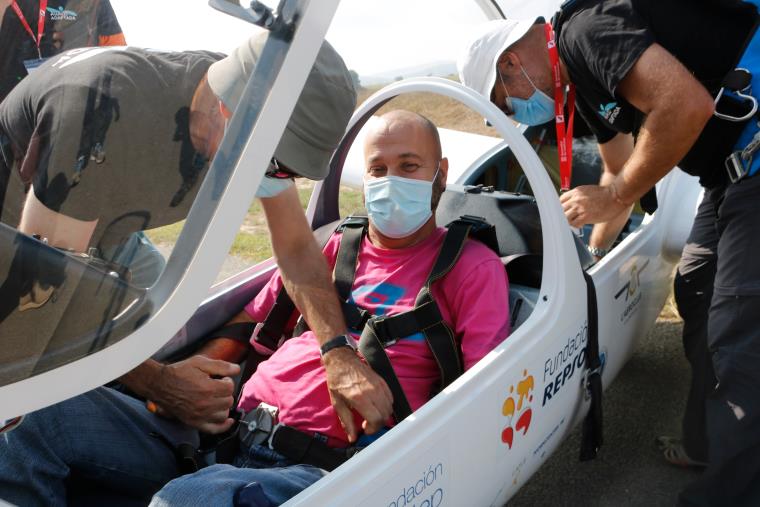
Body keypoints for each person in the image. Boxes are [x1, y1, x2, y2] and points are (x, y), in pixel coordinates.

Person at [0, 32, 403, 505]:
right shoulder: (98, 121)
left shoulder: (249, 103)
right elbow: (42, 302)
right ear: (227, 113)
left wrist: (335, 349)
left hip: (102, 224)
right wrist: (160, 383)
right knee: (23, 400)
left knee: (157, 332)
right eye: (273, 166)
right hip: (24, 242)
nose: (273, 183)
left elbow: (296, 249)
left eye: (285, 172)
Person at [458, 1, 760, 505]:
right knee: (698, 287)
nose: (516, 113)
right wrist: (592, 263)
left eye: (506, 104)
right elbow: (615, 171)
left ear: (510, 64)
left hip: (752, 157)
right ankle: (710, 443)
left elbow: (683, 107)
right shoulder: (585, 89)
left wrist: (617, 196)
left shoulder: (584, 33)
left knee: (741, 333)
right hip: (726, 173)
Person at [147, 109, 510, 507]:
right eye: (378, 169)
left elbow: (483, 392)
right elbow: (255, 321)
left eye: (408, 166)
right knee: (68, 421)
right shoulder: (338, 246)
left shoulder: (470, 266)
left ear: (440, 172)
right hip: (226, 432)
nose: (391, 182)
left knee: (182, 500)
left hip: (325, 469)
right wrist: (178, 386)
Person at [0, 0, 126, 103]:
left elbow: (117, 56)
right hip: (32, 104)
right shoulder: (18, 7)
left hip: (75, 102)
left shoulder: (96, 4)